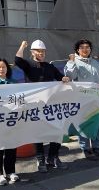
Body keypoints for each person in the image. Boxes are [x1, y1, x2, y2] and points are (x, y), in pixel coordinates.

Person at [14, 40, 70, 173]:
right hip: (35, 105)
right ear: (32, 52)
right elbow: (17, 60)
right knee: (38, 133)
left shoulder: (50, 67)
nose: (41, 53)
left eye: (43, 51)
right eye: (38, 51)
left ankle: (53, 157)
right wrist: (22, 46)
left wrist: (64, 79)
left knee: (57, 131)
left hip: (50, 105)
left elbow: (60, 77)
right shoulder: (28, 65)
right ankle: (41, 160)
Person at [64, 39, 99, 161]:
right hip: (82, 100)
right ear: (77, 50)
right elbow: (70, 76)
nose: (85, 49)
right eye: (82, 47)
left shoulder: (95, 63)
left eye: (87, 47)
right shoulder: (73, 62)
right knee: (84, 123)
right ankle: (86, 148)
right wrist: (71, 61)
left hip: (97, 98)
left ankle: (97, 146)